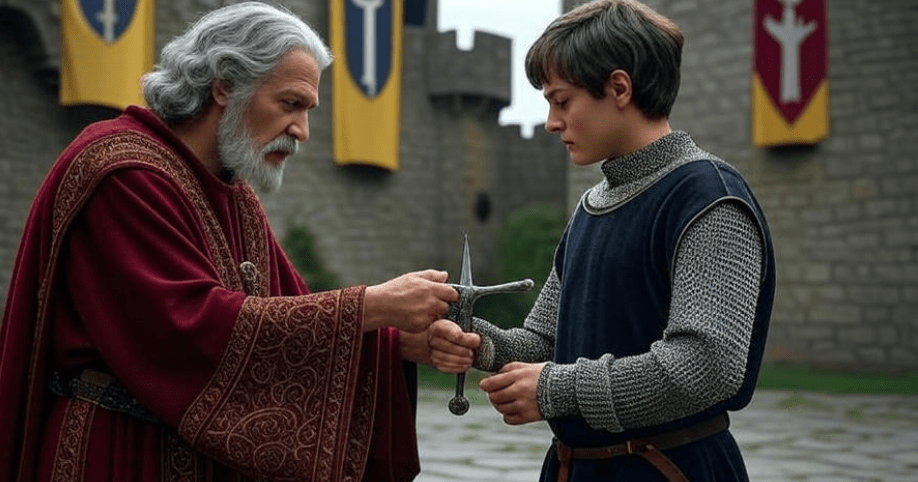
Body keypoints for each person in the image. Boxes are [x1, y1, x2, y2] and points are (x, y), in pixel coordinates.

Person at [0, 3, 458, 481]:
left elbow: (292, 310)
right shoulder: (122, 172)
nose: (302, 130)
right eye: (290, 104)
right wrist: (372, 306)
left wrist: (394, 343)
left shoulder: (231, 192)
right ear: (224, 85)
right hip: (117, 454)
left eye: (308, 110)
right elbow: (185, 327)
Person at [429, 1, 776, 481]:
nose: (552, 121)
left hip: (670, 468)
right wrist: (479, 343)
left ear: (618, 87)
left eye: (562, 100)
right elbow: (546, 342)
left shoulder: (706, 197)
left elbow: (706, 365)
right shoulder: (592, 206)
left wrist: (555, 391)